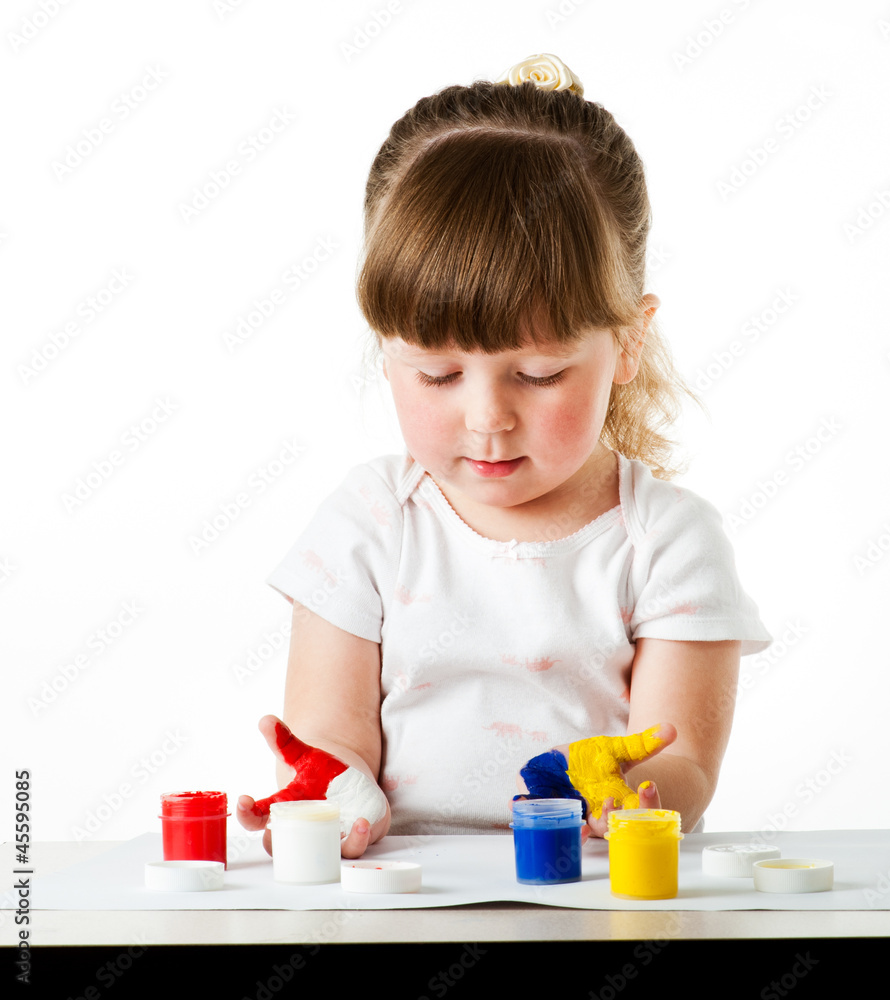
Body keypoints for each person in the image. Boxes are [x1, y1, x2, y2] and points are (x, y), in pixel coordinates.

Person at [237, 53, 772, 859]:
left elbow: (684, 762)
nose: (488, 419)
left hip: (590, 893)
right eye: (437, 373)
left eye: (540, 374)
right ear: (386, 349)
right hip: (402, 898)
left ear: (629, 342)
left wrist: (630, 794)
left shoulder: (666, 542)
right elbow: (328, 739)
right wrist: (329, 788)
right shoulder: (369, 522)